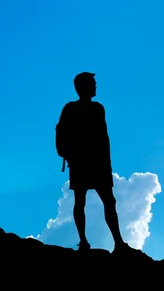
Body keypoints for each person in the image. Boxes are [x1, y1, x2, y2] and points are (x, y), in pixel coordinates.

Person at [55, 72, 128, 252]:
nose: (95, 87)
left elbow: (104, 137)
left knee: (107, 201)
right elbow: (61, 131)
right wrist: (68, 154)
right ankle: (84, 241)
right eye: (92, 84)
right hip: (82, 162)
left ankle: (118, 242)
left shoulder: (98, 108)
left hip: (98, 163)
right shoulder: (71, 108)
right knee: (82, 201)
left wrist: (106, 162)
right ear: (82, 87)